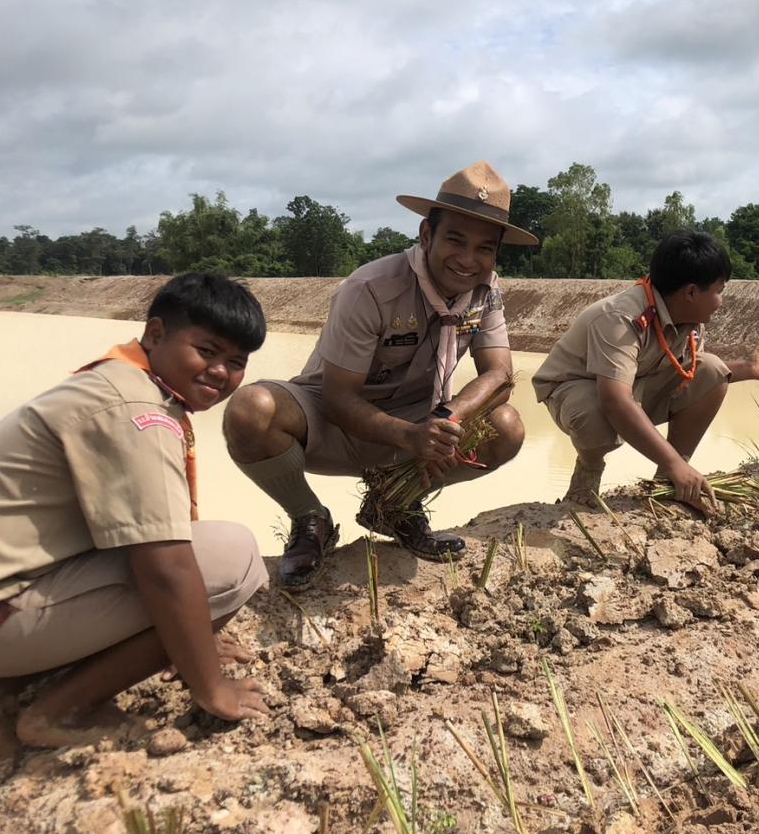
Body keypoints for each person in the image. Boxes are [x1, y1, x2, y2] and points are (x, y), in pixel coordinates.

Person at [0, 274, 269, 752]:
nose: (220, 372)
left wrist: (192, 638)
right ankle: (60, 711)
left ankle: (14, 681)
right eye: (206, 351)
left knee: (197, 572)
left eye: (236, 363)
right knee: (233, 557)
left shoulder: (118, 379)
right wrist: (210, 683)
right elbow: (165, 568)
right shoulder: (136, 409)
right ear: (155, 333)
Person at [224, 161, 532, 588]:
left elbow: (499, 374)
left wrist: (447, 421)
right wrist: (410, 436)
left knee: (506, 426)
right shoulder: (370, 288)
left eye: (484, 248)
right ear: (427, 235)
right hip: (335, 421)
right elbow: (338, 398)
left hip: (420, 426)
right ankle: (310, 519)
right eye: (455, 240)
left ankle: (397, 506)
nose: (468, 260)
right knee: (250, 410)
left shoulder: (486, 291)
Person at [532, 231, 759, 513]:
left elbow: (691, 372)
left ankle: (667, 481)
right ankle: (589, 470)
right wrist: (675, 463)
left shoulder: (690, 319)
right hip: (575, 387)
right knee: (595, 411)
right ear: (691, 292)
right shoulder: (620, 318)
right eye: (719, 291)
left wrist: (750, 369)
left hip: (635, 383)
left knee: (714, 370)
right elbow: (614, 400)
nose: (720, 301)